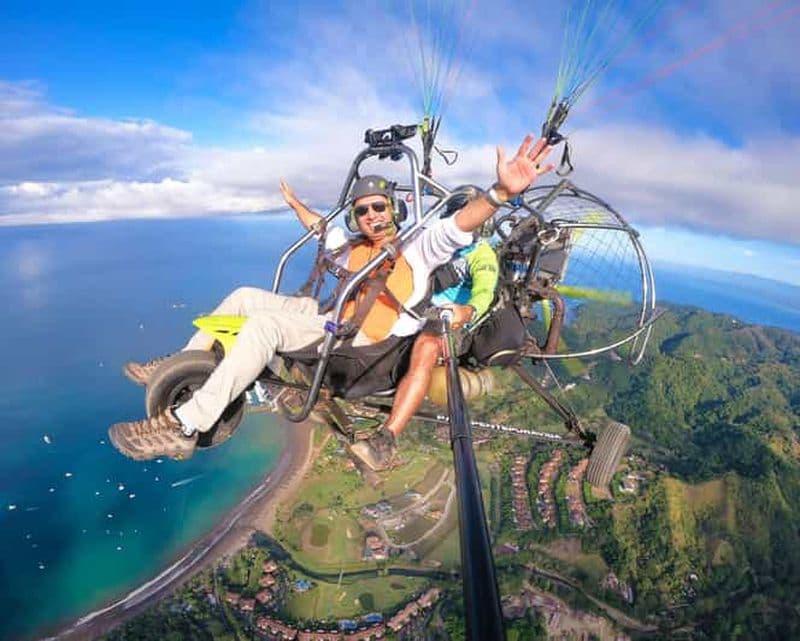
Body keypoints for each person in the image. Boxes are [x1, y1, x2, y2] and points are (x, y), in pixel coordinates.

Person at [108, 135, 554, 462]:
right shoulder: (354, 242)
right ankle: (180, 364)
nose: (372, 215)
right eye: (363, 210)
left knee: (264, 328)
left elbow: (456, 226)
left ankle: (186, 425)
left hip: (359, 349)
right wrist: (295, 204)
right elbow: (322, 228)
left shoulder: (418, 247)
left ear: (393, 210)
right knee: (244, 296)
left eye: (380, 207)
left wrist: (500, 194)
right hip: (332, 317)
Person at [350, 190, 498, 471]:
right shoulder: (438, 241)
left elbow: (484, 292)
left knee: (426, 347)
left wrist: (466, 311)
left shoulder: (482, 255)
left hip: (448, 319)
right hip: (416, 308)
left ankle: (386, 439)